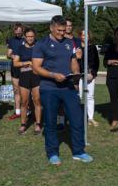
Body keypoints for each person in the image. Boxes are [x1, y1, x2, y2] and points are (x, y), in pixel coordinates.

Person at [32, 15, 93, 165]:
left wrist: (76, 71)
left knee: (77, 118)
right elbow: (36, 68)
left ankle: (79, 151)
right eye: (59, 30)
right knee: (51, 121)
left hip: (68, 87)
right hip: (49, 88)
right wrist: (53, 75)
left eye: (63, 30)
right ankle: (52, 152)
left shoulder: (69, 42)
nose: (61, 33)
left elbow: (73, 62)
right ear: (51, 28)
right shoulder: (41, 44)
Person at [12, 27, 42, 135]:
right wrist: (28, 63)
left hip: (36, 77)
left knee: (37, 101)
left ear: (35, 37)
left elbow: (43, 62)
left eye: (32, 36)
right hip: (24, 77)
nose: (30, 38)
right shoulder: (20, 48)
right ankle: (23, 124)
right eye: (28, 36)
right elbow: (15, 63)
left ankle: (38, 124)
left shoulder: (39, 47)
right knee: (24, 102)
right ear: (25, 37)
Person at [78, 29, 99, 127]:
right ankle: (77, 117)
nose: (84, 37)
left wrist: (92, 74)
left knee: (90, 97)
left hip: (90, 76)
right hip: (79, 76)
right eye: (82, 35)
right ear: (80, 36)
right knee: (79, 96)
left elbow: (96, 62)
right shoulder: (77, 48)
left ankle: (90, 118)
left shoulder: (92, 47)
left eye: (86, 35)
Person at [6, 23, 24, 120]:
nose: (18, 33)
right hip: (15, 68)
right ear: (14, 31)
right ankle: (17, 112)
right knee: (16, 90)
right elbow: (8, 54)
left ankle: (27, 110)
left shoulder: (27, 39)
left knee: (25, 91)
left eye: (20, 31)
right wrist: (15, 57)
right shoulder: (12, 41)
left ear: (22, 31)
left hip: (25, 68)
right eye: (16, 32)